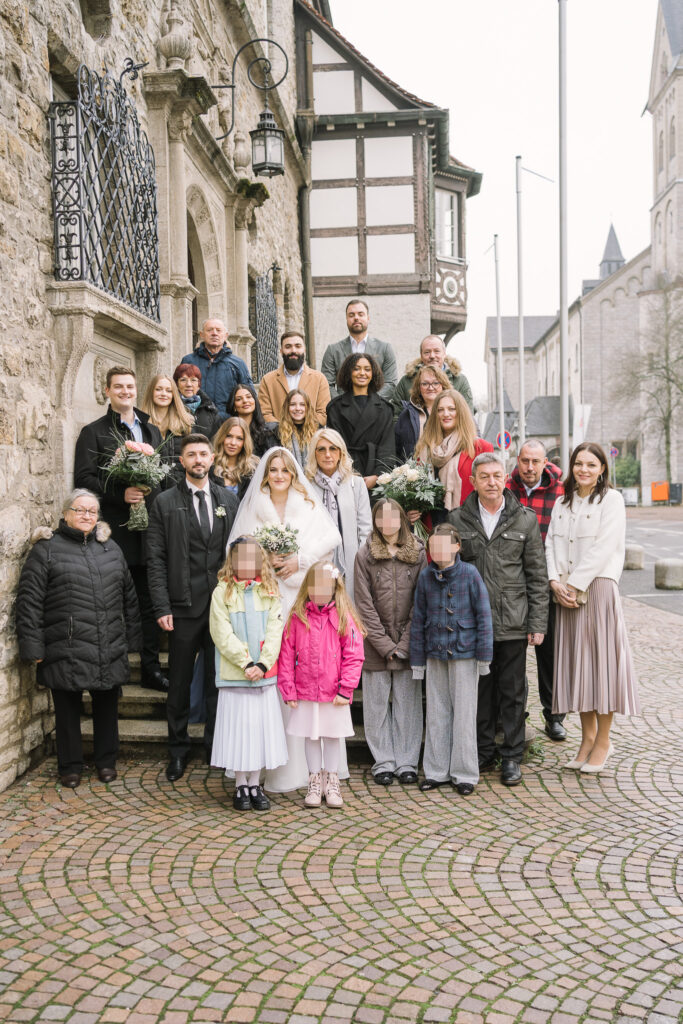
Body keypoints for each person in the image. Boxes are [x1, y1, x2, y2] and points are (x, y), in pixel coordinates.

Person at [228, 447, 343, 792]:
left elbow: (332, 538)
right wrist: (266, 562)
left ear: (293, 474)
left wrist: (300, 559)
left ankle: (306, 767)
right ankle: (265, 761)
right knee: (270, 672)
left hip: (298, 599)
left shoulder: (306, 506)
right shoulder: (254, 507)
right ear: (266, 475)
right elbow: (236, 549)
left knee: (300, 672)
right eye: (273, 470)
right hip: (263, 600)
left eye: (285, 470)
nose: (279, 475)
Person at [15, 489, 141, 788]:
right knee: (67, 710)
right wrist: (33, 646)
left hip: (107, 642)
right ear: (66, 514)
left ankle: (106, 762)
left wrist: (132, 639)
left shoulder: (110, 548)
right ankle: (70, 766)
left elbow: (129, 597)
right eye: (80, 510)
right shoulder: (46, 550)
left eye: (92, 511)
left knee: (107, 706)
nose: (86, 516)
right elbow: (29, 602)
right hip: (64, 644)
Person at [448, 452, 548, 787]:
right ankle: (483, 751)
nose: (492, 482)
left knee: (513, 692)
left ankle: (512, 756)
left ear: (505, 478)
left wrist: (537, 624)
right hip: (473, 624)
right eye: (484, 477)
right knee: (479, 691)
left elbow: (537, 575)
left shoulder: (524, 519)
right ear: (473, 481)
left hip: (513, 622)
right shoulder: (457, 520)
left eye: (497, 476)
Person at [146, 434, 239, 782]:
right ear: (182, 461)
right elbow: (155, 559)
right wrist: (161, 606)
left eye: (203, 453)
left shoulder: (228, 500)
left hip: (221, 607)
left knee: (218, 683)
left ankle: (216, 748)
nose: (198, 460)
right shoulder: (165, 502)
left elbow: (237, 553)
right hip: (182, 606)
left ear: (212, 458)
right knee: (179, 684)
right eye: (191, 455)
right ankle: (177, 751)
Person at [546, 442, 640, 773]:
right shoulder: (563, 501)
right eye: (579, 463)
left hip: (597, 589)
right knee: (578, 668)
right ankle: (586, 738)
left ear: (602, 469)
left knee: (601, 667)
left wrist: (575, 584)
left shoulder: (611, 500)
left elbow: (605, 546)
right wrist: (554, 581)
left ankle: (603, 740)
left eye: (591, 464)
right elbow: (551, 543)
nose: (583, 469)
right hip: (566, 593)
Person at [74, 365, 166, 693]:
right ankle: (111, 672)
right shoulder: (94, 432)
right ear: (107, 391)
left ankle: (151, 669)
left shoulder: (151, 431)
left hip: (149, 531)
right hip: (114, 535)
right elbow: (83, 479)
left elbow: (161, 476)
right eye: (118, 387)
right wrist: (119, 493)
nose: (125, 392)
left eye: (130, 386)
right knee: (111, 604)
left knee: (150, 602)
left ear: (136, 389)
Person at [410, 524, 493, 796]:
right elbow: (418, 618)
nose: (438, 551)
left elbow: (484, 616)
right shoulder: (425, 576)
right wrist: (418, 660)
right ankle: (436, 771)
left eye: (443, 545)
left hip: (464, 653)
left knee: (465, 715)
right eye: (433, 546)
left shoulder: (470, 574)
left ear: (457, 547)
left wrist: (484, 656)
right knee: (436, 713)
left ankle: (465, 774)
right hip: (435, 653)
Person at [209, 536, 287, 811]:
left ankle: (256, 783)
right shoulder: (222, 592)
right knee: (239, 732)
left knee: (259, 731)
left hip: (263, 675)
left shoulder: (270, 591)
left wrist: (263, 664)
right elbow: (221, 632)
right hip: (236, 675)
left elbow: (275, 630)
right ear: (232, 561)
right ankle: (240, 783)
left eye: (250, 558)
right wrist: (246, 663)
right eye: (239, 558)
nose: (245, 563)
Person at [278, 562, 364, 808]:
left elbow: (354, 654)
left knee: (332, 735)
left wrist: (346, 688)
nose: (319, 592)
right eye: (315, 586)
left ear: (335, 588)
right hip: (306, 689)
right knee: (312, 735)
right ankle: (314, 780)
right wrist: (288, 689)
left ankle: (332, 779)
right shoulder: (298, 617)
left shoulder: (343, 616)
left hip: (334, 691)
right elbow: (286, 654)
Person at [354, 500, 427, 786]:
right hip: (375, 644)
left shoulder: (418, 552)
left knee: (408, 705)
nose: (387, 523)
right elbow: (363, 604)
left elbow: (421, 602)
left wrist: (405, 643)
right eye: (381, 517)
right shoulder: (365, 554)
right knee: (376, 707)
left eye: (392, 517)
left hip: (409, 642)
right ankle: (383, 761)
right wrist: (384, 644)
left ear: (402, 519)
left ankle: (407, 762)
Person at [506, 439, 566, 741]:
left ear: (545, 462)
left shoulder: (561, 492)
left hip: (547, 578)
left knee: (550, 652)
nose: (529, 467)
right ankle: (516, 714)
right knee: (513, 653)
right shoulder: (506, 488)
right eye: (525, 461)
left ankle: (554, 715)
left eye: (535, 462)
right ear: (518, 460)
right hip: (513, 581)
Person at [306, 427, 372, 602]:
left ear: (341, 453)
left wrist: (361, 561)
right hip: (319, 560)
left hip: (353, 562)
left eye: (333, 449)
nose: (327, 455)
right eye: (321, 449)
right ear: (314, 453)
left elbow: (365, 528)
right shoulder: (306, 487)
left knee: (350, 608)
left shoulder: (356, 483)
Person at [415, 389, 493, 519]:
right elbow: (416, 489)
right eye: (440, 410)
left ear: (461, 412)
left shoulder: (480, 447)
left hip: (467, 522)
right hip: (432, 523)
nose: (446, 414)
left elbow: (489, 491)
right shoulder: (424, 447)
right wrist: (413, 510)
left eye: (451, 409)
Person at [326, 353, 396, 491]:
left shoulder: (385, 409)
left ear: (373, 374)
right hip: (344, 477)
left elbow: (388, 448)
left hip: (375, 479)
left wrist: (377, 476)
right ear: (348, 372)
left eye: (367, 369)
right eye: (356, 368)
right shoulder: (335, 408)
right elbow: (334, 447)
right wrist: (347, 474)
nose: (362, 373)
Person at [321, 300, 397, 400]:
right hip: (343, 407)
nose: (356, 318)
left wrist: (371, 403)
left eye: (361, 314)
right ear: (346, 319)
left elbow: (391, 383)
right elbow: (326, 384)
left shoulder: (384, 349)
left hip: (376, 407)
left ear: (368, 318)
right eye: (351, 315)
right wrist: (342, 404)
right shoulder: (333, 350)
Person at [181, 318, 252, 418]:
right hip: (196, 421)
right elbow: (179, 392)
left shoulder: (238, 364)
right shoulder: (189, 361)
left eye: (218, 330)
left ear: (226, 335)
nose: (214, 333)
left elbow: (249, 394)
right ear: (202, 334)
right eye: (209, 330)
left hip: (228, 422)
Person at [391, 335, 474, 416]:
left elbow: (468, 416)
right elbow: (395, 415)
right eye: (427, 352)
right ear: (421, 355)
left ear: (444, 353)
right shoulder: (406, 381)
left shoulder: (459, 380)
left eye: (437, 351)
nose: (432, 356)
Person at [258, 331, 331, 424]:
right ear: (281, 351)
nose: (293, 350)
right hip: (278, 432)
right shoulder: (267, 380)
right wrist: (285, 430)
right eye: (288, 347)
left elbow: (323, 413)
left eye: (298, 346)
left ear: (304, 349)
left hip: (311, 432)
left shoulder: (319, 379)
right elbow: (265, 413)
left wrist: (302, 429)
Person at [394, 364, 451, 462]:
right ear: (419, 387)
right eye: (425, 384)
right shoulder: (407, 414)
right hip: (416, 468)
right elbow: (396, 449)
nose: (430, 387)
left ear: (443, 385)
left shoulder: (455, 411)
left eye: (436, 383)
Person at [140, 374, 194, 471]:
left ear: (174, 395)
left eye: (169, 391)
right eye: (158, 389)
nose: (164, 394)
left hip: (180, 478)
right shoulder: (140, 424)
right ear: (151, 392)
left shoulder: (185, 423)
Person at [226, 382, 280, 458]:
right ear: (234, 406)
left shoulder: (268, 432)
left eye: (248, 397)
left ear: (254, 401)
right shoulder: (227, 431)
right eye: (239, 399)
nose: (245, 401)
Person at [173, 363, 223, 440]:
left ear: (199, 385)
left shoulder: (210, 409)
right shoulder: (172, 408)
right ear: (176, 384)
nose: (189, 384)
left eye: (193, 380)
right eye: (183, 380)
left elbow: (217, 440)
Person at [212, 416, 259, 497]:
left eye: (239, 438)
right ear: (222, 437)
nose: (233, 443)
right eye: (229, 436)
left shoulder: (254, 468)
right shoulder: (210, 464)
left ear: (245, 442)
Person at [278, 388, 320, 468]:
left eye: (302, 404)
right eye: (293, 404)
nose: (297, 408)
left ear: (308, 407)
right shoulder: (277, 433)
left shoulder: (317, 431)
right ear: (287, 407)